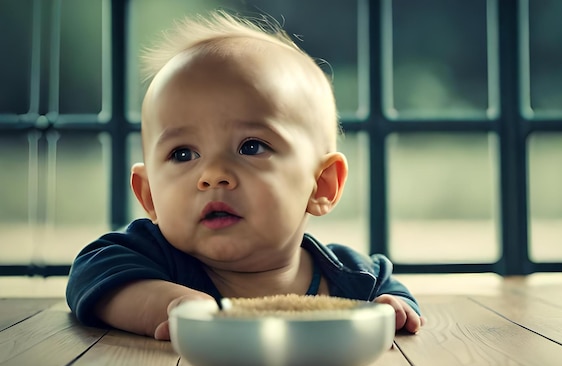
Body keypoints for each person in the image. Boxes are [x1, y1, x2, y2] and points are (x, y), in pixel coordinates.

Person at [66, 10, 424, 340]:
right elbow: (90, 275)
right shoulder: (153, 257)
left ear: (322, 184)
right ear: (148, 196)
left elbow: (393, 294)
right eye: (183, 154)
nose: (213, 175)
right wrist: (170, 304)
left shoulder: (352, 277)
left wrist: (393, 309)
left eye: (251, 147)